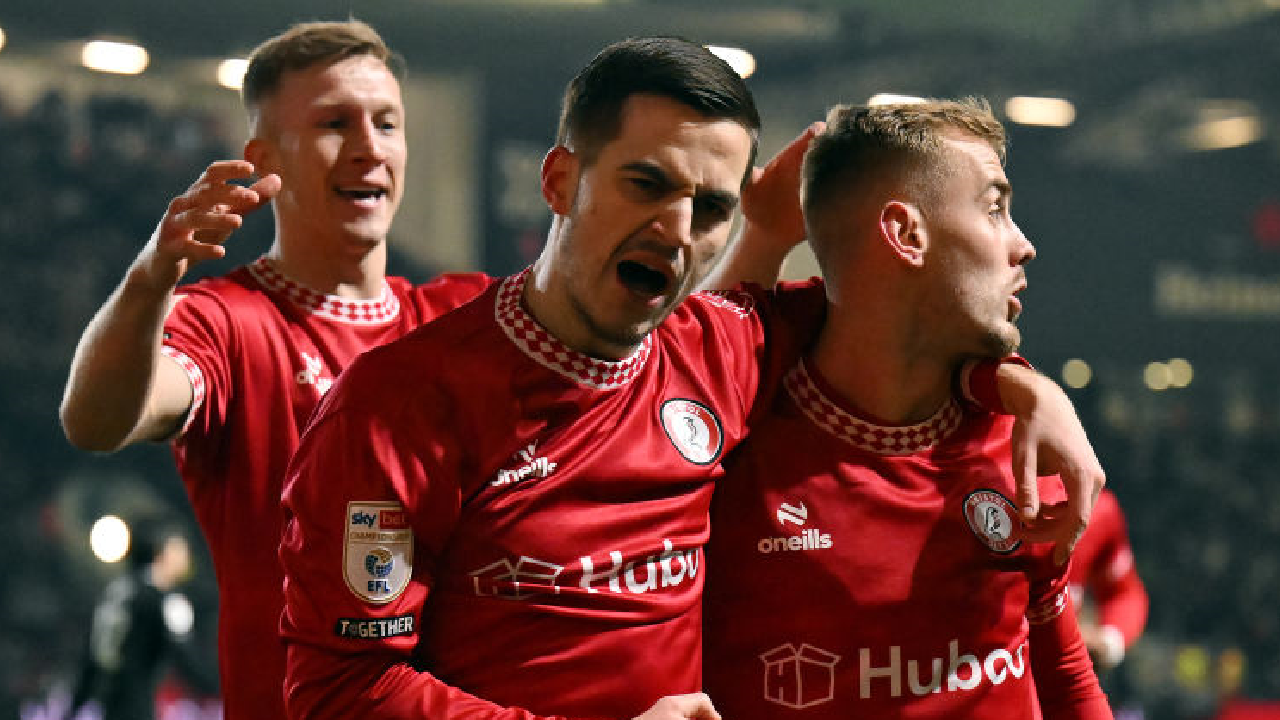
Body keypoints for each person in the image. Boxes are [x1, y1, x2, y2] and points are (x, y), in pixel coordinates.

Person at [278, 40, 1104, 720]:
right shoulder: (397, 405)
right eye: (647, 184)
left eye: (711, 207)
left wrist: (1030, 390)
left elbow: (902, 320)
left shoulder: (723, 350)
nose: (675, 228)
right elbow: (339, 690)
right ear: (560, 180)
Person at [58, 20, 493, 720]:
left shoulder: (460, 316)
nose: (369, 147)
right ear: (266, 158)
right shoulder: (226, 322)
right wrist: (149, 279)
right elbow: (97, 419)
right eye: (334, 123)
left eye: (387, 123)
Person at [701, 99, 1112, 717]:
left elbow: (1063, 675)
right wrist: (762, 235)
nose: (1024, 245)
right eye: (995, 207)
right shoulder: (728, 455)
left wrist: (1033, 389)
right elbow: (690, 364)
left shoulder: (1019, 441)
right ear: (905, 234)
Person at [64, 522, 215, 720]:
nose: (185, 556)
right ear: (162, 553)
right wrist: (220, 689)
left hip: (111, 704)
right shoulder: (166, 603)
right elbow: (187, 660)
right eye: (179, 549)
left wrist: (75, 706)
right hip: (137, 707)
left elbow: (93, 658)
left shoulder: (117, 592)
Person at [1069, 488, 1148, 676]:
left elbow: (1124, 595)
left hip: (1053, 684)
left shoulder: (1098, 510)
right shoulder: (993, 502)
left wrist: (1108, 640)